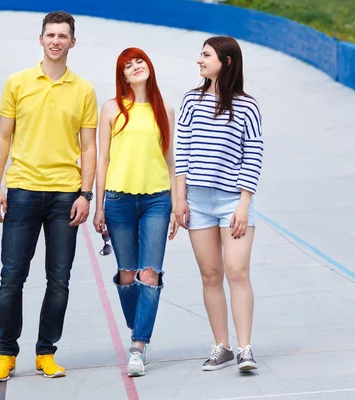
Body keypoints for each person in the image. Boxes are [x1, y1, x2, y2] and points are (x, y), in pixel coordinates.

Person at [0, 10, 98, 382]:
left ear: (72, 42)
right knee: (11, 277)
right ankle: (6, 353)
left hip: (65, 195)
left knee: (59, 279)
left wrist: (86, 193)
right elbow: (3, 137)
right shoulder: (17, 83)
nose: (56, 41)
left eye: (62, 36)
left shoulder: (83, 89)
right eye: (50, 34)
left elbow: (89, 147)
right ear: (41, 39)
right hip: (22, 190)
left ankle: (46, 352)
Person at [174, 36, 264, 372]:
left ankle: (245, 348)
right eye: (200, 53)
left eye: (206, 55)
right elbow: (181, 153)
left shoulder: (247, 106)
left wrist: (243, 204)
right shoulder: (191, 100)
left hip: (233, 203)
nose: (199, 60)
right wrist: (179, 200)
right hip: (197, 203)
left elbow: (253, 155)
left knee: (237, 272)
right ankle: (221, 346)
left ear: (226, 61)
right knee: (210, 275)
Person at [93, 47, 178, 377]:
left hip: (157, 199)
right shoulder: (111, 109)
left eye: (139, 61)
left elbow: (171, 161)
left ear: (149, 66)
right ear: (122, 76)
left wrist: (175, 204)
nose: (136, 67)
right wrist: (99, 204)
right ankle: (137, 322)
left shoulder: (164, 109)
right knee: (128, 274)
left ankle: (138, 347)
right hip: (118, 200)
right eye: (128, 66)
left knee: (149, 274)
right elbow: (103, 159)